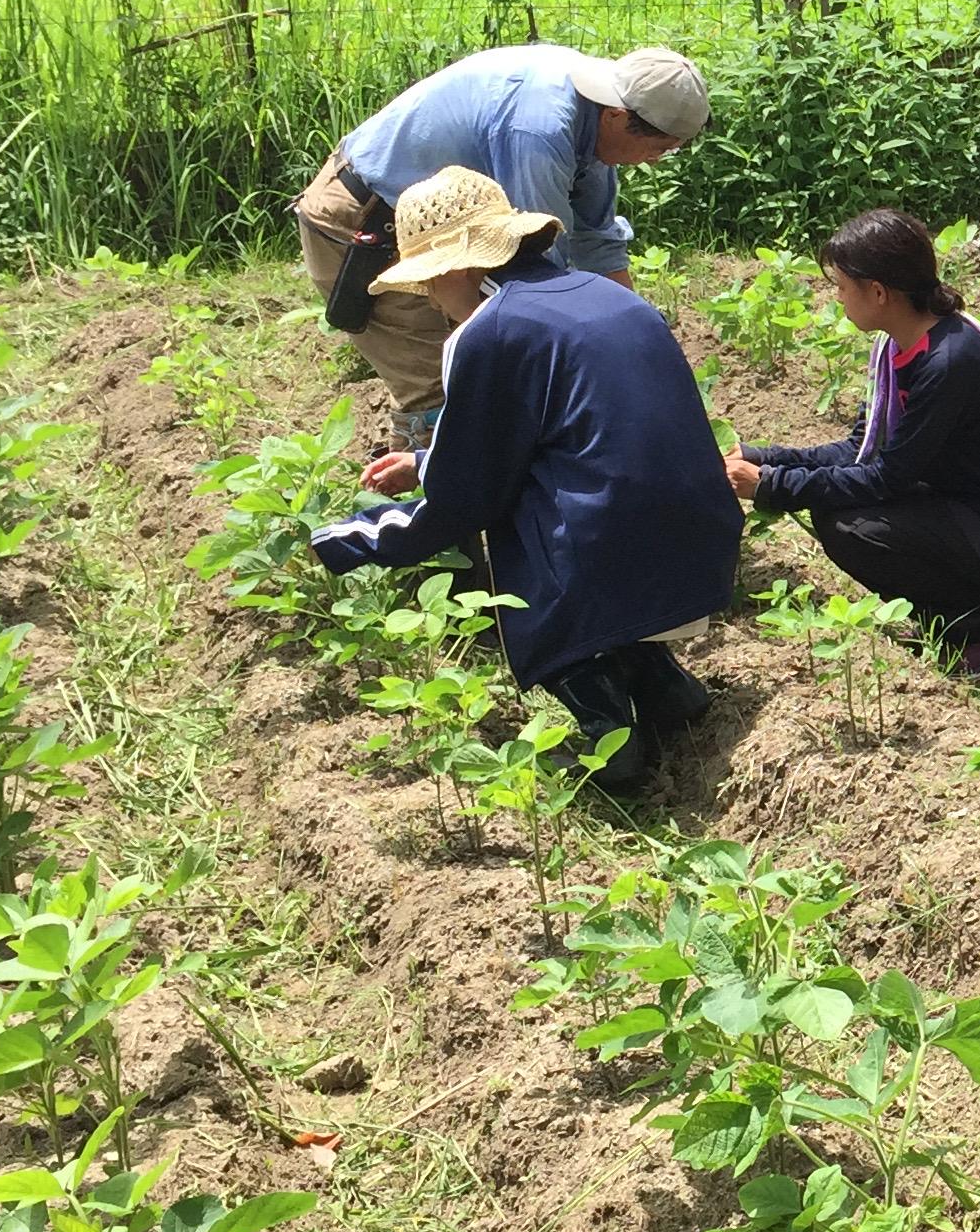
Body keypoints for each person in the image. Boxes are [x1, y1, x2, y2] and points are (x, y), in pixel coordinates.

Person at [308, 165, 738, 788]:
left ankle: (607, 736)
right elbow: (573, 437)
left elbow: (471, 494)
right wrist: (425, 463)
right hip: (701, 542)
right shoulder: (607, 293)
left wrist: (357, 537)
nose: (427, 296)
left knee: (520, 527)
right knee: (574, 501)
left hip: (606, 552)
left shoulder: (490, 331)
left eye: (427, 280)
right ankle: (667, 688)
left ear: (456, 268)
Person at [295, 42, 711, 442]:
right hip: (365, 222)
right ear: (618, 116)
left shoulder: (596, 117)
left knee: (492, 382)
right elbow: (539, 268)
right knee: (445, 393)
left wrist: (634, 345)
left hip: (449, 238)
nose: (655, 161)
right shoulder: (540, 131)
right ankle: (427, 505)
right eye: (658, 149)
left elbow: (596, 241)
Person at [729, 208, 980, 680]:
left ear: (877, 292)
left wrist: (770, 486)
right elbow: (860, 447)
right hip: (969, 513)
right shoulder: (899, 348)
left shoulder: (949, 362)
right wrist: (761, 457)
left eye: (841, 287)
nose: (837, 299)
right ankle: (956, 615)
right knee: (842, 514)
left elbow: (886, 477)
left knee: (853, 528)